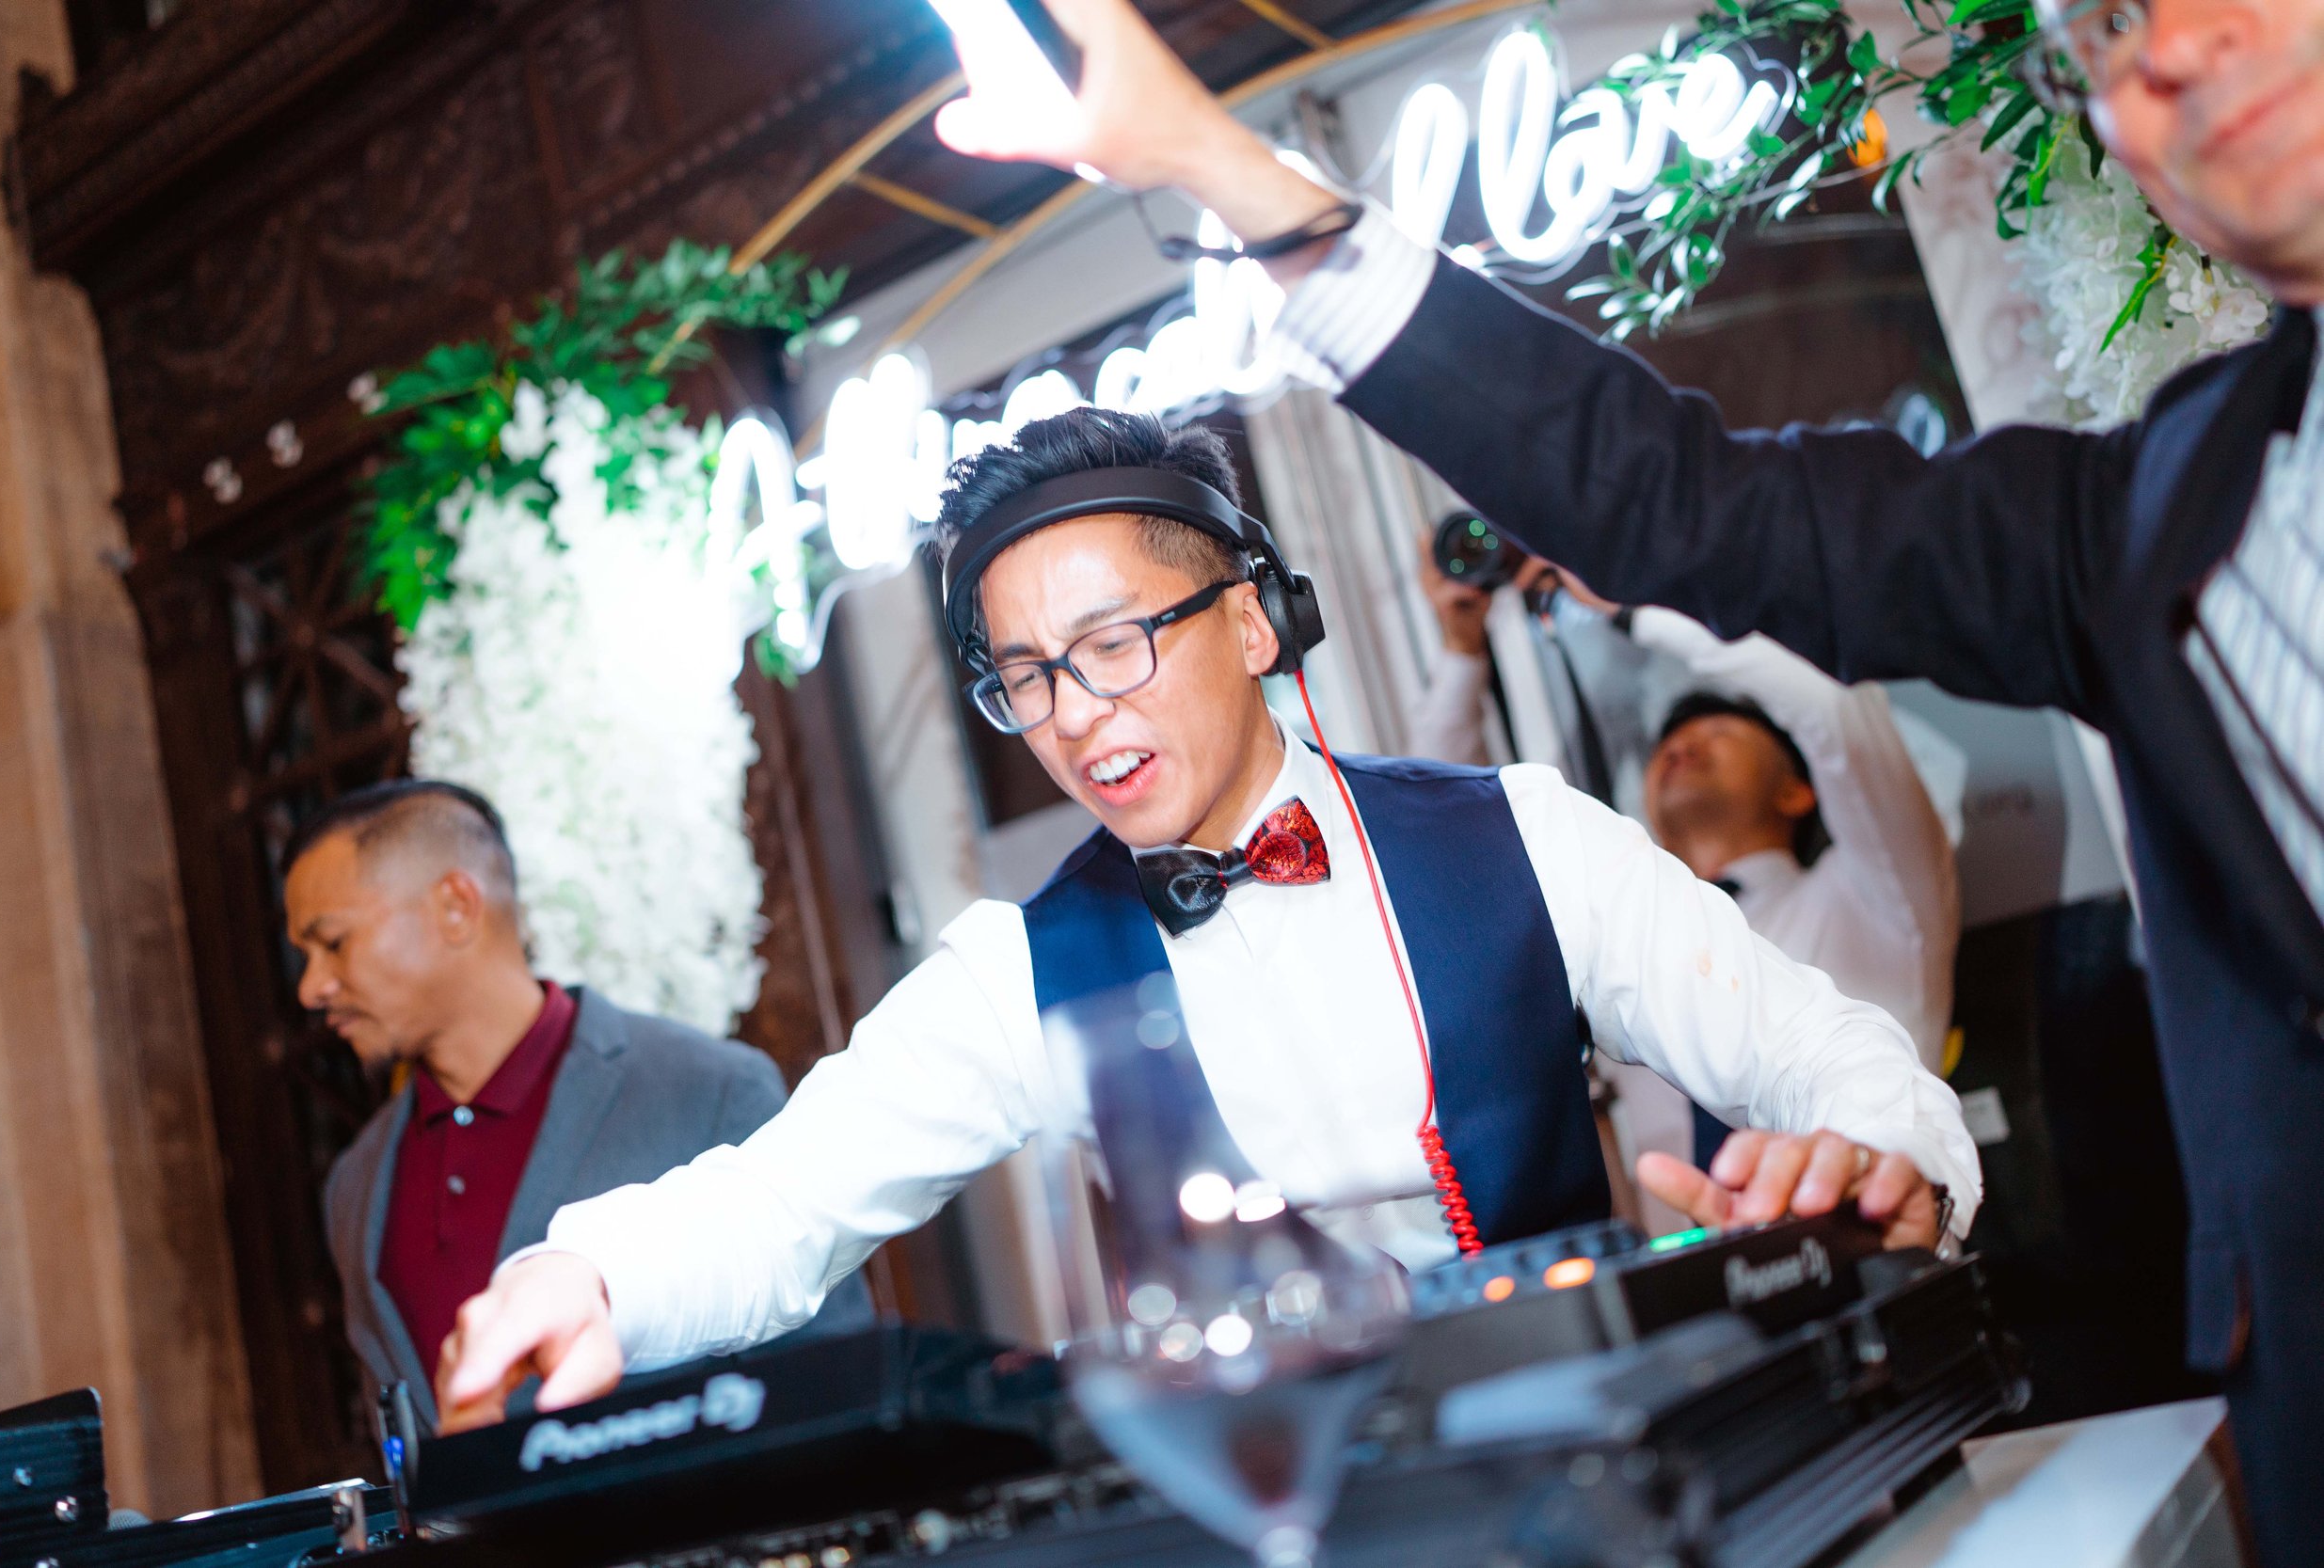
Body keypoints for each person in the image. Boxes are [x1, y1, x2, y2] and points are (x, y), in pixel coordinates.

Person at [925, 0, 2324, 1556]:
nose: (2171, 50)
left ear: (1246, 621)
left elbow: (1776, 722)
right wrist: (1199, 156)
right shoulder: (2151, 519)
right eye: (2110, 25)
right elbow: (1671, 496)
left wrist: (1890, 1144)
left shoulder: (1687, 848)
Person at [434, 408, 1978, 1430]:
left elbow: (1842, 1064)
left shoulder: (1526, 835)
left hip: (1602, 1473)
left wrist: (1880, 1161)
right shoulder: (1017, 967)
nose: (1071, 716)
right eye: (1024, 676)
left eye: (1110, 646)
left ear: (1250, 616)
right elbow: (782, 1203)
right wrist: (593, 1275)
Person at [291, 781, 869, 1425]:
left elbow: (832, 1389)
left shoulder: (707, 1090)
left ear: (456, 906)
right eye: (304, 956)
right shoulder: (356, 1185)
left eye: (332, 942)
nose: (312, 987)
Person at [1415, 564, 1962, 1223]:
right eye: (1666, 745)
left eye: (1717, 733)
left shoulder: (1881, 901)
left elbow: (1831, 708)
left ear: (1797, 789)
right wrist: (1462, 652)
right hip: (1687, 1305)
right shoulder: (1626, 945)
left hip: (1879, 1252)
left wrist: (1634, 605)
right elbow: (1452, 836)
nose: (1679, 746)